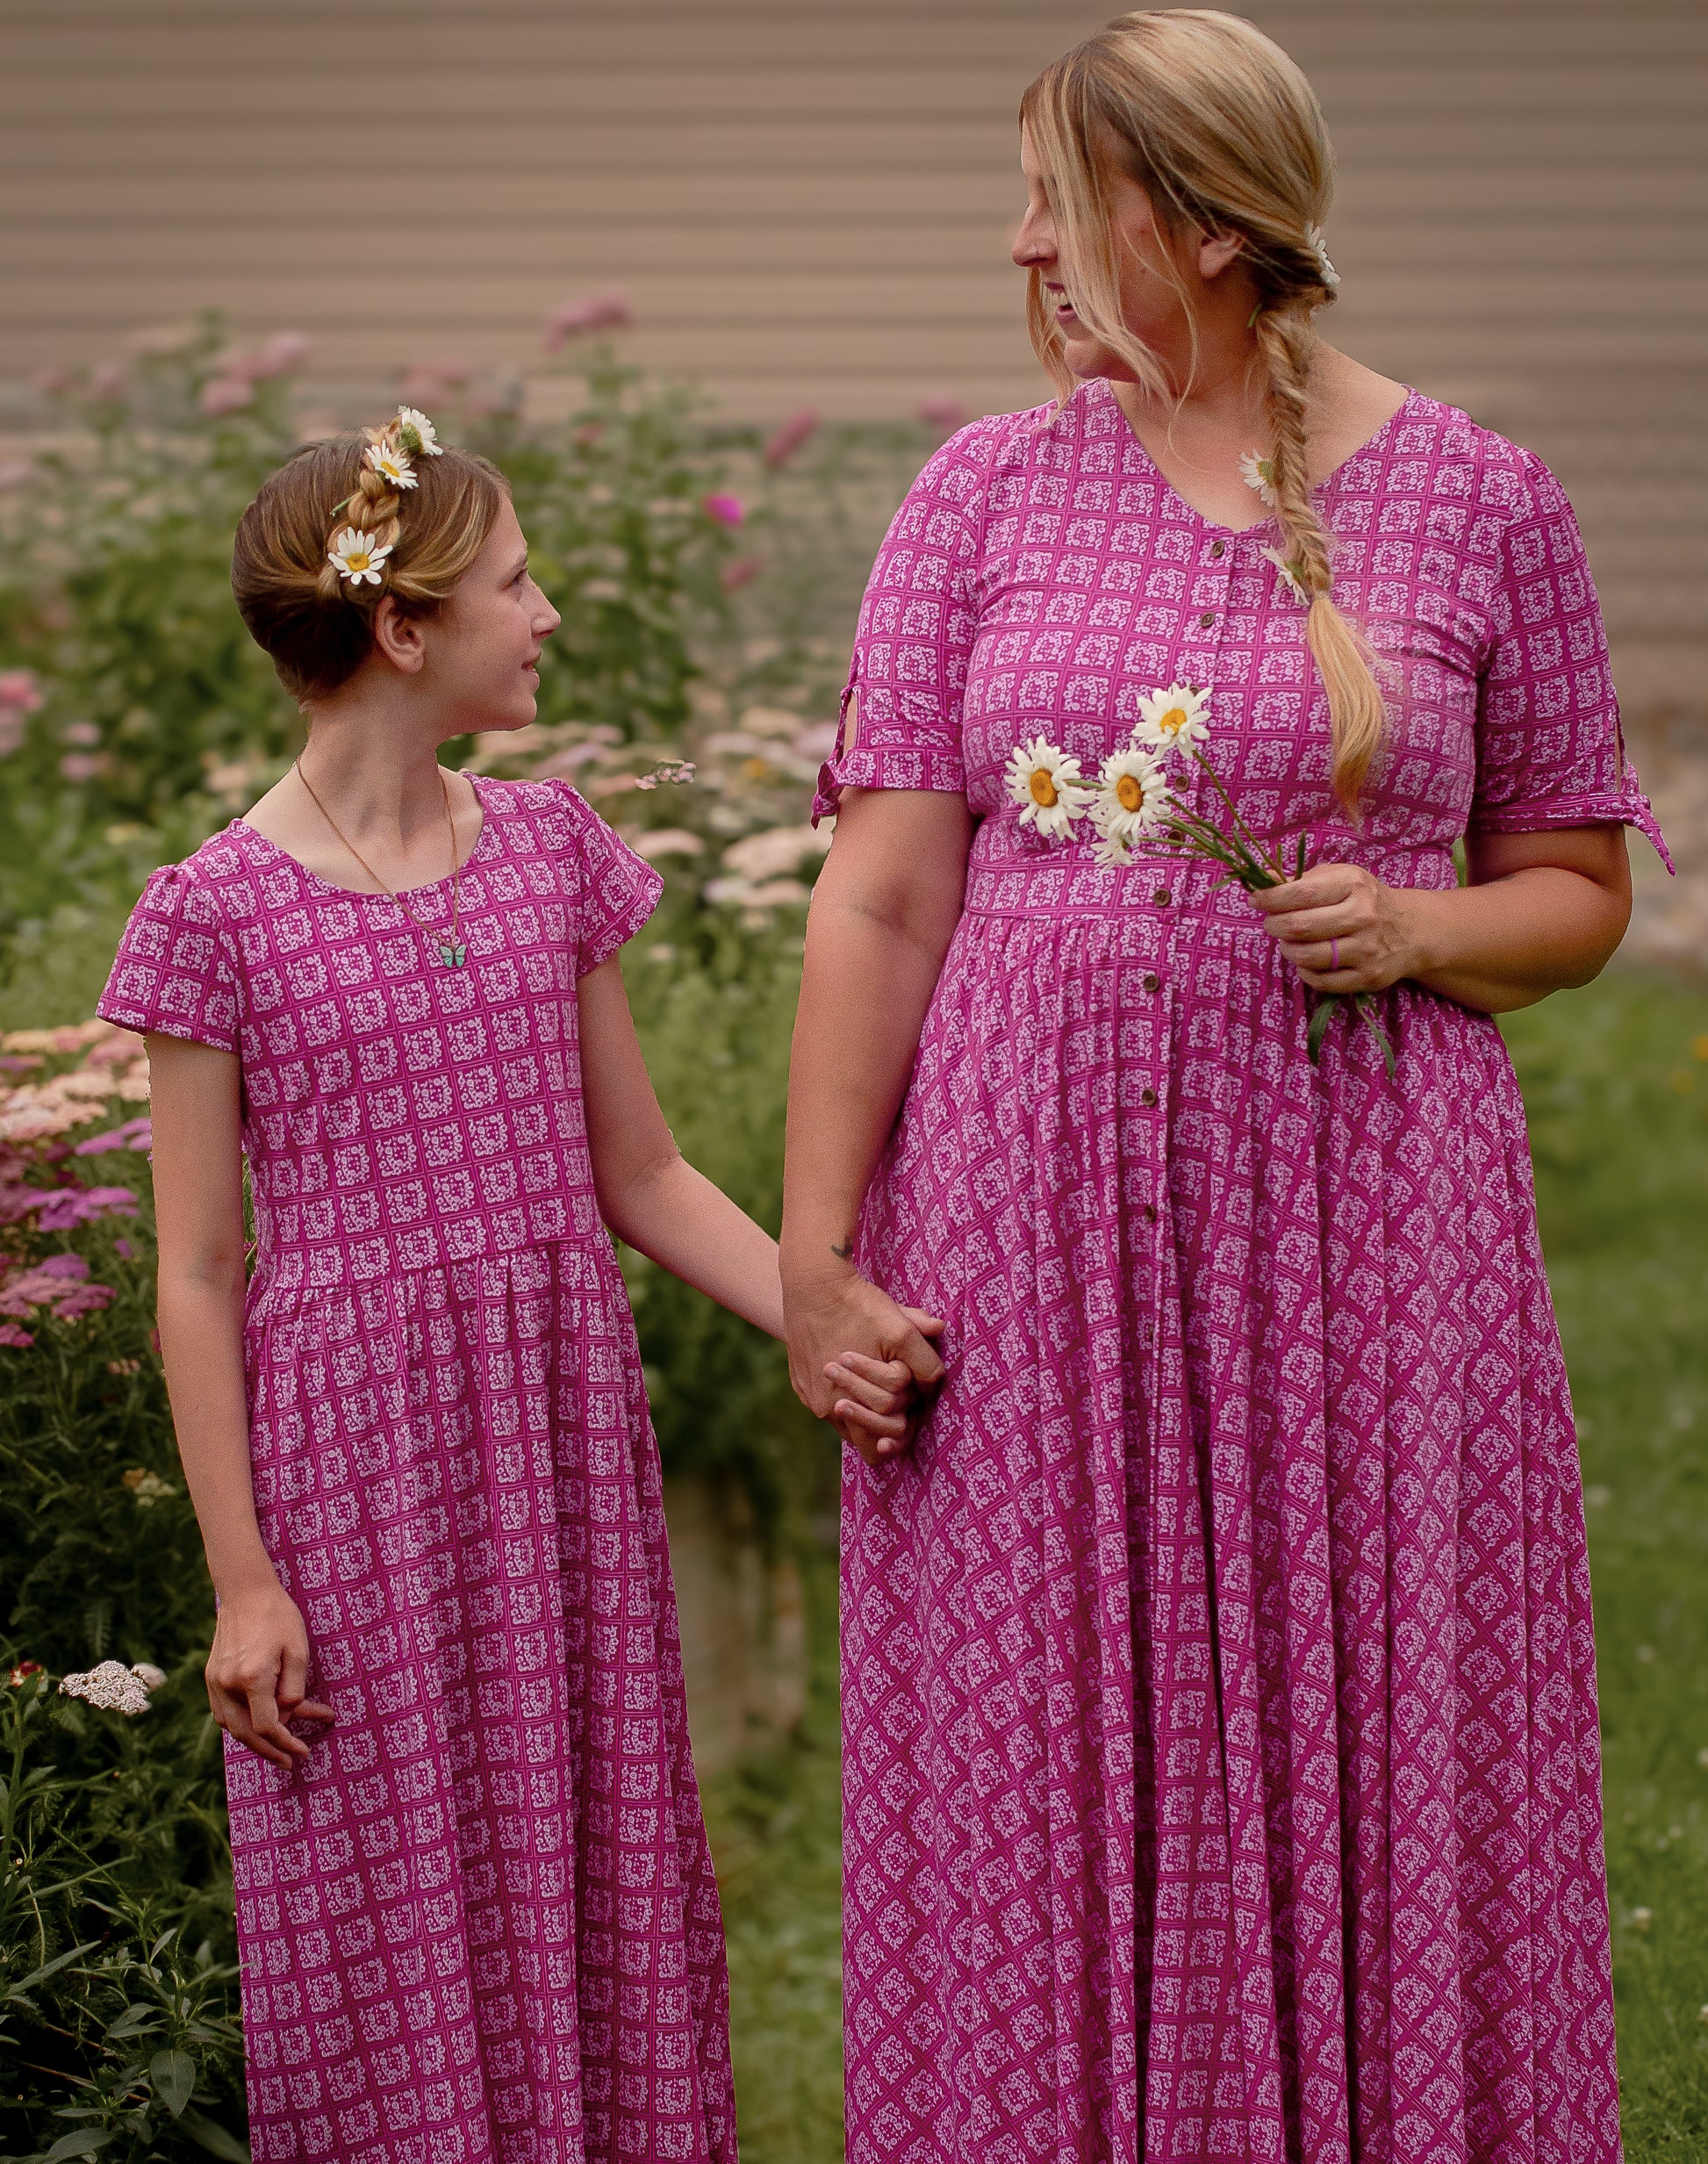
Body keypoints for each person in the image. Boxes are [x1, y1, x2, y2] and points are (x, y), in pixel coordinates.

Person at [780, 13, 1669, 2161]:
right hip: (1028, 1242)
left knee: (1366, 1714)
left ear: (1187, 221)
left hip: (1366, 1233)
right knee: (1046, 1740)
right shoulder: (979, 492)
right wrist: (817, 1251)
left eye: (1054, 198)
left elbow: (1574, 885)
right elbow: (884, 900)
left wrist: (1423, 932)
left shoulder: (1478, 497)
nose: (1020, 246)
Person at [97, 411, 923, 2164]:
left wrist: (823, 1313)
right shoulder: (213, 915)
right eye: (516, 583)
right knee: (389, 1878)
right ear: (402, 629)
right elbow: (193, 1269)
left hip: (553, 1440)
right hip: (353, 1467)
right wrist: (242, 1581)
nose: (545, 614)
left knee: (593, 1845)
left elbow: (640, 1177)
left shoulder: (551, 852)